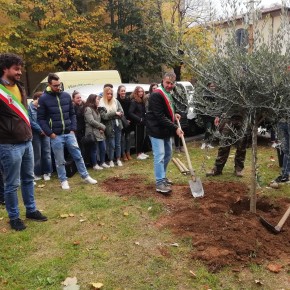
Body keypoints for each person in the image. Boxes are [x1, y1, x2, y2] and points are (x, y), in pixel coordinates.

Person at [0, 53, 47, 230]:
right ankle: (14, 217)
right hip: (9, 144)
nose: (20, 72)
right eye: (16, 69)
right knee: (12, 183)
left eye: (20, 69)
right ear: (5, 68)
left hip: (27, 141)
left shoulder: (20, 86)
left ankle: (31, 210)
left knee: (28, 178)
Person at [37, 73, 97, 190]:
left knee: (78, 155)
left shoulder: (66, 96)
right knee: (60, 160)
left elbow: (72, 113)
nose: (58, 87)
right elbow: (41, 119)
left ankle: (85, 176)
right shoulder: (44, 98)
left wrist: (73, 128)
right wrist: (50, 133)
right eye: (55, 85)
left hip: (69, 133)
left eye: (59, 85)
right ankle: (63, 180)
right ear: (49, 84)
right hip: (56, 135)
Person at [146, 72, 183, 195]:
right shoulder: (157, 94)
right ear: (163, 80)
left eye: (172, 83)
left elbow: (167, 110)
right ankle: (159, 182)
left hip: (165, 130)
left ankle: (163, 176)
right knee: (160, 155)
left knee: (168, 154)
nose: (169, 85)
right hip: (156, 129)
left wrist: (174, 114)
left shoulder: (168, 93)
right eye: (167, 82)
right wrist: (175, 127)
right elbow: (160, 116)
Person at [206, 108, 248, 177]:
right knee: (224, 145)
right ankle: (217, 169)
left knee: (242, 145)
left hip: (242, 117)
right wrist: (217, 115)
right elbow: (221, 100)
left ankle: (239, 169)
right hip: (228, 117)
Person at [28, 91, 52, 181]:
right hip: (35, 133)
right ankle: (37, 173)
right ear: (37, 98)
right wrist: (40, 130)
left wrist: (45, 130)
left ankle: (47, 172)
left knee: (47, 153)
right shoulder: (29, 108)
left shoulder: (44, 107)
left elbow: (48, 119)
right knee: (37, 154)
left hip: (45, 132)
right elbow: (30, 121)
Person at [99, 86, 124, 167]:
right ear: (105, 94)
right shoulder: (101, 103)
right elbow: (104, 116)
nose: (110, 95)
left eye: (111, 94)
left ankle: (118, 159)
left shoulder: (116, 101)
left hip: (117, 124)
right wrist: (114, 113)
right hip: (109, 126)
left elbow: (121, 112)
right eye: (108, 94)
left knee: (118, 144)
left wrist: (115, 114)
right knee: (111, 144)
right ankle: (111, 160)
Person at [84, 94, 109, 170]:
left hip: (99, 131)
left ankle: (102, 162)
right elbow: (91, 121)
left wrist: (101, 128)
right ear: (93, 100)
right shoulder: (88, 109)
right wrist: (102, 126)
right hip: (92, 132)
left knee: (103, 148)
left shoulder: (96, 109)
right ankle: (95, 165)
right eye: (97, 99)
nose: (98, 101)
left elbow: (98, 120)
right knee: (94, 149)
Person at [129, 86, 149, 160]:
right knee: (138, 138)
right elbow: (130, 112)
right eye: (139, 92)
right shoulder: (134, 101)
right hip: (137, 123)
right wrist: (139, 119)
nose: (141, 93)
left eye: (142, 91)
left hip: (143, 122)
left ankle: (141, 152)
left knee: (142, 137)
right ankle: (138, 153)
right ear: (136, 93)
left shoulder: (142, 101)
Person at [117, 85, 132, 161]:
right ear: (119, 92)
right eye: (122, 91)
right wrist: (124, 119)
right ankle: (123, 154)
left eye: (124, 90)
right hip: (120, 122)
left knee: (128, 138)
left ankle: (128, 153)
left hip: (128, 122)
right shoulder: (116, 101)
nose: (123, 92)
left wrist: (128, 120)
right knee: (122, 139)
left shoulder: (128, 100)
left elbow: (130, 111)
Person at [200, 82, 216, 150]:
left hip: (213, 115)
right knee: (208, 129)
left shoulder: (215, 94)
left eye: (214, 86)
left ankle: (208, 143)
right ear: (208, 87)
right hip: (206, 116)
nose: (213, 88)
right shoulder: (205, 94)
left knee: (212, 130)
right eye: (211, 86)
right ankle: (204, 143)